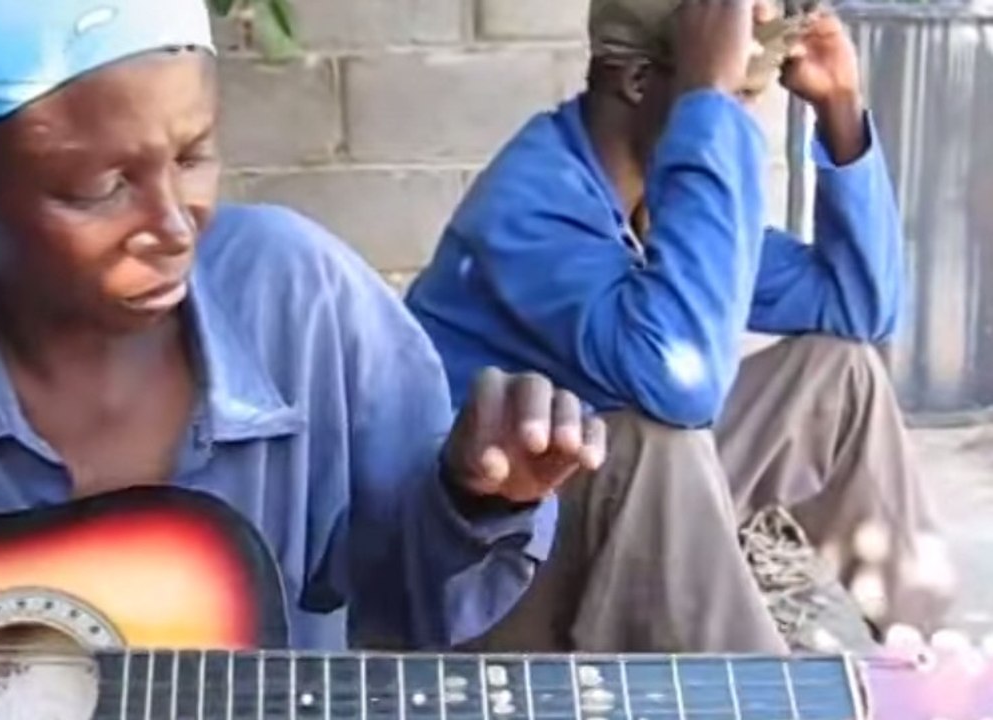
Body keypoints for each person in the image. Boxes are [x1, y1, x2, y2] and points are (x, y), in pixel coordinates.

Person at [0, 1, 607, 717]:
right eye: (97, 188)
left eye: (193, 156)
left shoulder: (297, 299)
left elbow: (410, 604)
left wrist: (473, 498)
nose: (175, 227)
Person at [405, 0, 955, 654]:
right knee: (650, 439)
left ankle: (934, 665)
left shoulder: (650, 192)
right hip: (487, 578)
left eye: (742, 99)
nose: (734, 121)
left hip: (615, 502)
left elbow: (858, 305)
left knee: (839, 374)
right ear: (639, 83)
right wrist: (707, 106)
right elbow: (680, 384)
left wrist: (839, 109)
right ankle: (758, 699)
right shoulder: (529, 208)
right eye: (729, 94)